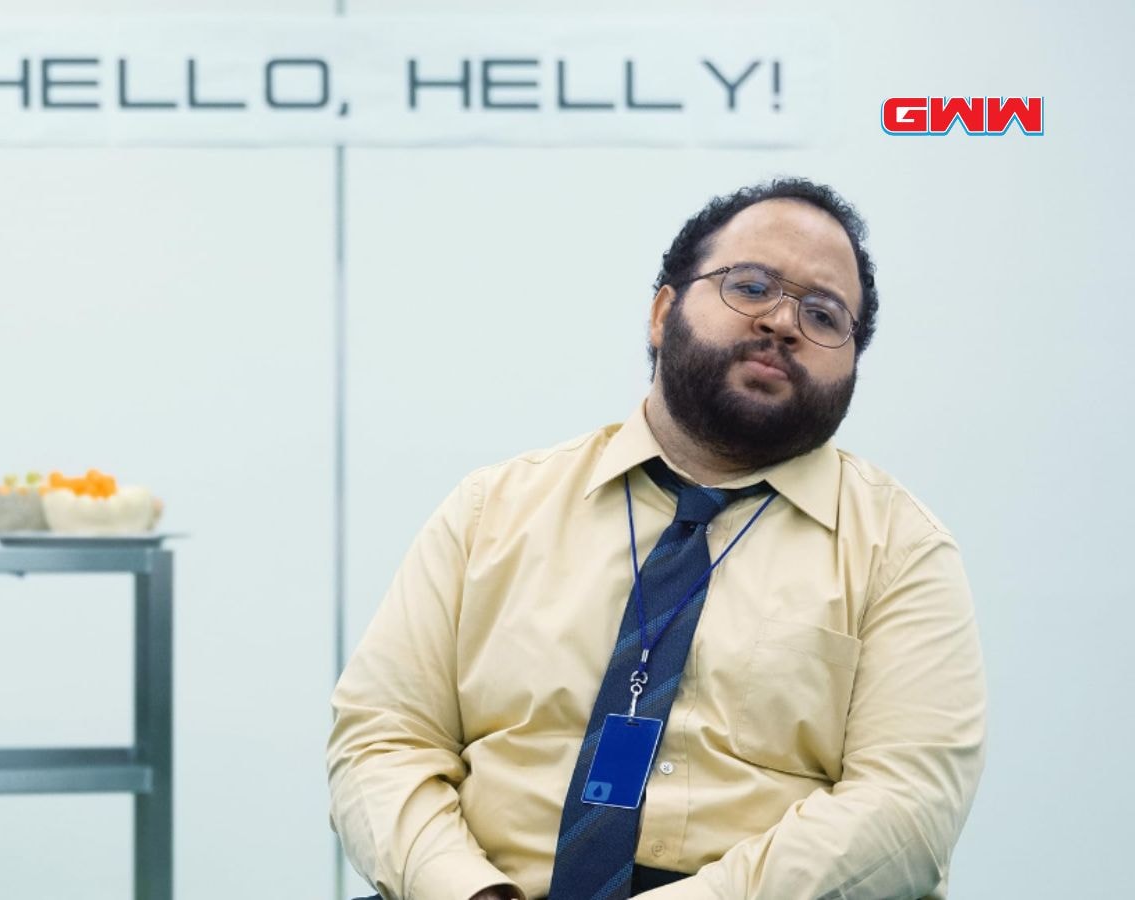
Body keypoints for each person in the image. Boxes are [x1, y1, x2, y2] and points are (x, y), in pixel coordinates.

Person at [327, 178, 986, 900]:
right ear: (663, 312)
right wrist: (467, 892)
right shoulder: (494, 510)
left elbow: (906, 812)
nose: (782, 322)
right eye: (752, 285)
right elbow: (381, 740)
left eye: (825, 315)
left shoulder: (899, 548)